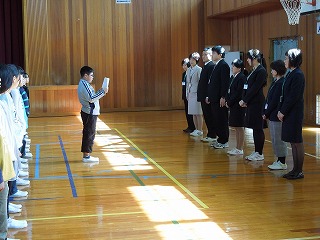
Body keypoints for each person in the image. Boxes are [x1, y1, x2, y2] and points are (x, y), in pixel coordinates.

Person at [278, 49, 305, 180]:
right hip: (289, 112)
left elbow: (293, 97)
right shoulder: (291, 73)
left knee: (297, 141)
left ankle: (299, 170)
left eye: (287, 58)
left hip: (294, 113)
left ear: (293, 59)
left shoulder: (298, 75)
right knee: (293, 142)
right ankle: (295, 169)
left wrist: (283, 111)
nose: (285, 60)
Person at [239, 49, 267, 161]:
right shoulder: (253, 70)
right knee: (255, 128)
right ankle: (256, 151)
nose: (247, 60)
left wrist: (245, 100)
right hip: (251, 102)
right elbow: (247, 86)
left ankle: (259, 153)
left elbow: (255, 88)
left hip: (257, 103)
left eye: (249, 57)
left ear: (255, 58)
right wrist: (245, 99)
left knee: (258, 128)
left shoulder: (261, 71)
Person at [77, 66, 109, 163]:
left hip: (89, 112)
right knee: (89, 133)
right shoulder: (84, 84)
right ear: (85, 75)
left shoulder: (84, 84)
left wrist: (100, 91)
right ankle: (86, 156)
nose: (92, 77)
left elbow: (93, 96)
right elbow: (91, 98)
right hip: (89, 113)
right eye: (91, 75)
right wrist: (103, 92)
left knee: (89, 132)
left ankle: (86, 154)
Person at [263, 60, 288, 170]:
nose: (271, 71)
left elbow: (274, 101)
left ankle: (282, 162)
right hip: (271, 114)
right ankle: (278, 159)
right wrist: (265, 111)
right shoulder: (275, 82)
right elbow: (269, 98)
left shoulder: (281, 83)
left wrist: (267, 112)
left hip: (276, 115)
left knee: (279, 139)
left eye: (273, 69)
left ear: (277, 70)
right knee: (274, 138)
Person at [207, 45, 230, 149]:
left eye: (214, 53)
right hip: (214, 98)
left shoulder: (224, 65)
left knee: (221, 119)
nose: (212, 55)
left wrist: (223, 96)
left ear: (220, 54)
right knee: (216, 119)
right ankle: (220, 138)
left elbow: (225, 83)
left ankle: (224, 140)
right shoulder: (217, 65)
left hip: (219, 98)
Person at [226, 59, 246, 155]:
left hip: (238, 105)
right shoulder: (232, 77)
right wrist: (227, 100)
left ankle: (240, 148)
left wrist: (230, 102)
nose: (232, 68)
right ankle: (237, 147)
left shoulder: (242, 77)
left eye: (234, 66)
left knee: (240, 127)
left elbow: (238, 93)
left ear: (239, 68)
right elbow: (229, 90)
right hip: (232, 104)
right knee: (236, 127)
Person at [197, 48, 217, 143]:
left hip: (207, 96)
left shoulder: (211, 66)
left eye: (205, 54)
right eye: (202, 55)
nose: (203, 56)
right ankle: (210, 133)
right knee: (206, 115)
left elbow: (210, 83)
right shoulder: (206, 66)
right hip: (203, 95)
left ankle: (212, 134)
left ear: (210, 55)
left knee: (209, 115)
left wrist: (208, 95)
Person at [186, 52, 203, 137]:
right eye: (190, 59)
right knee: (193, 112)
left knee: (198, 112)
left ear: (197, 60)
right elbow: (187, 82)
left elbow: (201, 82)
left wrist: (200, 93)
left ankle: (200, 129)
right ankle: (196, 129)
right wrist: (187, 93)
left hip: (196, 92)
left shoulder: (199, 69)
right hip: (190, 92)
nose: (191, 61)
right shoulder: (188, 69)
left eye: (193, 59)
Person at [181, 58, 195, 133]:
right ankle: (189, 126)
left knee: (191, 112)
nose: (184, 66)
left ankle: (193, 127)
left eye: (185, 65)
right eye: (183, 65)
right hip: (185, 95)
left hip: (190, 95)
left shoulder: (191, 73)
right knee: (187, 111)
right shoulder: (184, 74)